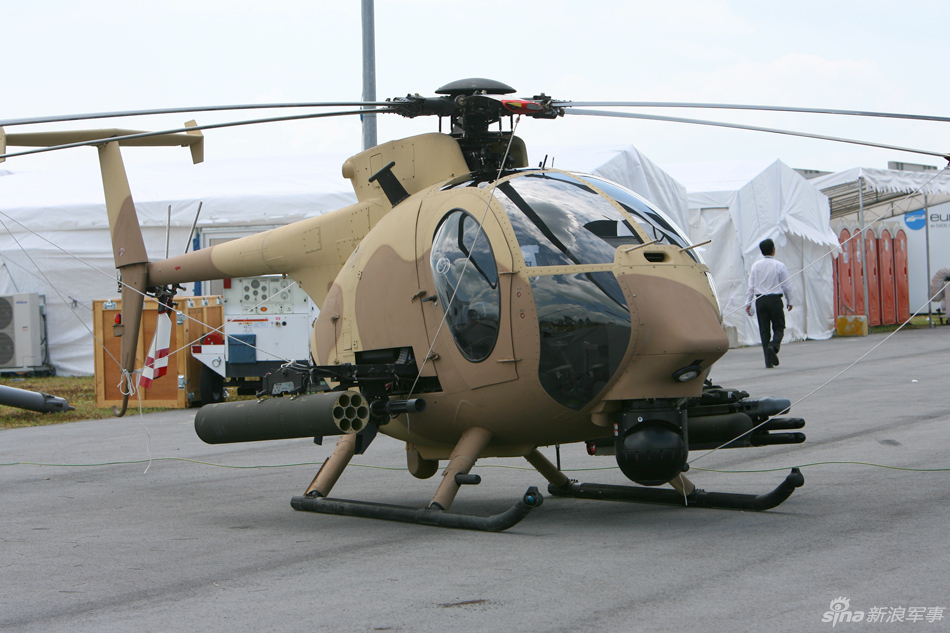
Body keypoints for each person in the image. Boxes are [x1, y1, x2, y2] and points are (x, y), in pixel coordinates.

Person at [745, 238, 793, 368]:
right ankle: (774, 346)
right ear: (773, 250)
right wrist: (790, 300)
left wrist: (748, 303)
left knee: (764, 330)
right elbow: (786, 285)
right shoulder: (779, 265)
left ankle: (768, 360)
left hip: (760, 300)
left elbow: (751, 286)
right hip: (775, 300)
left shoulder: (755, 266)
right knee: (779, 327)